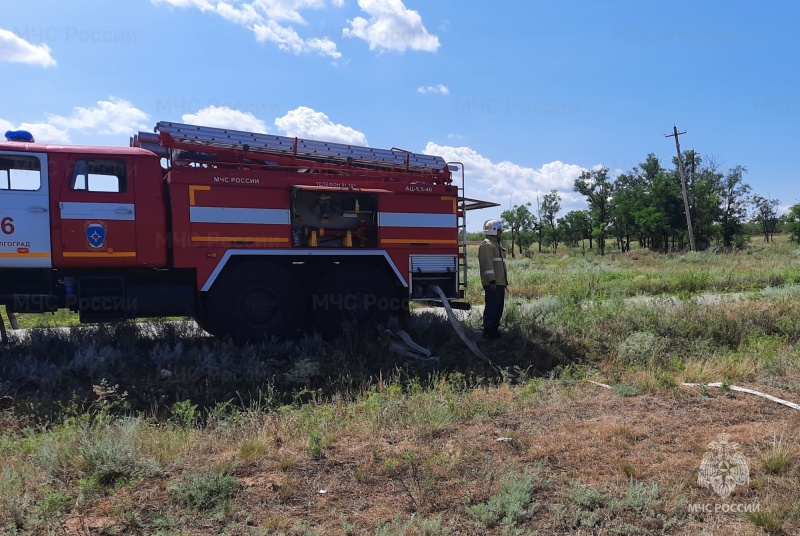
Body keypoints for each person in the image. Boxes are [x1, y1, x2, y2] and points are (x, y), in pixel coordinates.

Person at [478, 219, 508, 339]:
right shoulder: (487, 245)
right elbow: (487, 265)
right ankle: (488, 331)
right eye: (500, 230)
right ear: (495, 230)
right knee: (492, 306)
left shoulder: (495, 244)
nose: (501, 232)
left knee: (498, 307)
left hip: (499, 282)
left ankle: (494, 330)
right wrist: (492, 281)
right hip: (493, 283)